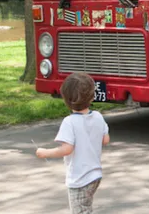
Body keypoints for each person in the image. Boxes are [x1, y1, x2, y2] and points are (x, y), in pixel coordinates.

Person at [36, 72, 110, 214]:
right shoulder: (98, 116)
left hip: (80, 178)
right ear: (92, 96)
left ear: (66, 99)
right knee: (86, 208)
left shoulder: (69, 122)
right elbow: (105, 139)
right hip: (95, 175)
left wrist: (45, 152)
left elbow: (67, 149)